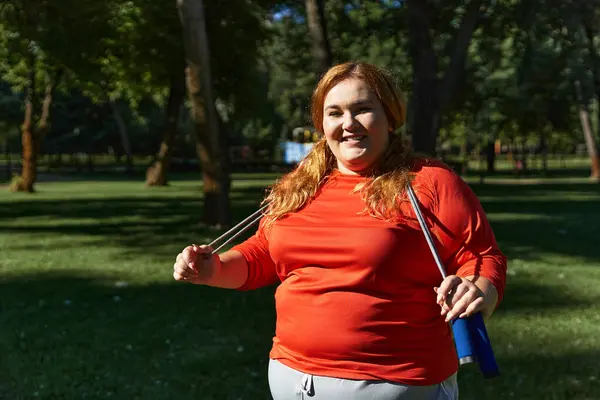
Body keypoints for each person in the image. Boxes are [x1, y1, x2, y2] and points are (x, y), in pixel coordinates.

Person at [173, 61, 507, 399]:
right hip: (293, 379)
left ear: (390, 116)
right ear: (322, 124)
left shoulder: (430, 181)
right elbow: (263, 254)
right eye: (335, 113)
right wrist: (212, 268)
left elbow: (482, 257)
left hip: (395, 383)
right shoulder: (300, 184)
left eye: (362, 109)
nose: (348, 124)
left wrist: (476, 290)